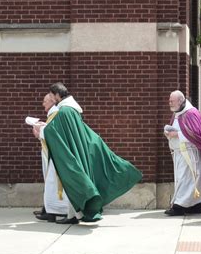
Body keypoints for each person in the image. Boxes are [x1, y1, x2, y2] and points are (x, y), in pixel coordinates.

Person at [44, 82, 143, 224]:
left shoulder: (65, 111)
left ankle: (73, 216)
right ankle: (73, 215)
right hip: (78, 147)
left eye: (52, 95)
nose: (51, 98)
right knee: (75, 181)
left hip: (73, 150)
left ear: (58, 95)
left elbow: (52, 131)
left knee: (74, 180)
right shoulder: (72, 109)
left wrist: (43, 129)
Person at [164, 90, 201, 216]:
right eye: (169, 101)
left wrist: (176, 134)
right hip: (180, 152)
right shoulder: (177, 112)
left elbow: (195, 134)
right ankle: (196, 205)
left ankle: (179, 206)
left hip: (189, 153)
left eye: (172, 101)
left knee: (186, 179)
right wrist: (169, 132)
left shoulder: (191, 113)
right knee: (187, 179)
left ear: (180, 100)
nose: (170, 103)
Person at [32, 93, 69, 222]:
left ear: (52, 101)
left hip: (54, 157)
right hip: (51, 154)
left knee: (53, 184)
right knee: (50, 184)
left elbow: (53, 133)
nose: (43, 104)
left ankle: (54, 211)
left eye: (45, 101)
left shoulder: (56, 113)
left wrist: (39, 129)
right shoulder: (53, 114)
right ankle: (49, 210)